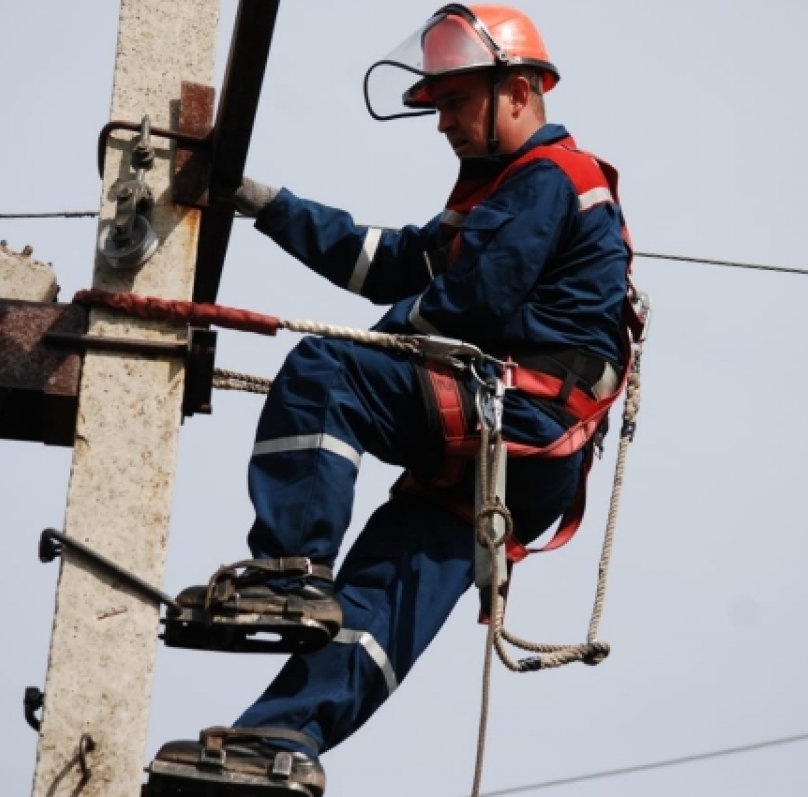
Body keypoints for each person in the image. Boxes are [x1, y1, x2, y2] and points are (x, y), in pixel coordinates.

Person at [146, 5, 641, 795]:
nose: (440, 121)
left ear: (516, 90)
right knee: (387, 593)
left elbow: (473, 300)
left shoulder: (553, 177)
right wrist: (261, 201)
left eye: (453, 101)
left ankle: (289, 566)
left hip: (515, 415)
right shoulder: (502, 196)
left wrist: (365, 350)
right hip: (525, 456)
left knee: (326, 372)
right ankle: (280, 738)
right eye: (436, 105)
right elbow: (387, 261)